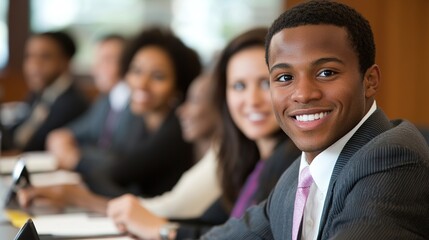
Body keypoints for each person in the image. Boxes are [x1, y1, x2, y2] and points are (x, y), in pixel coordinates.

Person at [202, 1, 429, 239]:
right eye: (285, 77)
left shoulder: (392, 160)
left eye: (326, 73)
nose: (303, 93)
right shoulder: (299, 175)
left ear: (370, 80)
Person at [107, 28, 301, 240]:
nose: (251, 100)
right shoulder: (248, 158)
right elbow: (211, 223)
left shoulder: (292, 162)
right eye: (238, 85)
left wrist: (163, 231)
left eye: (265, 83)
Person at [17, 27, 201, 211]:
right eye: (136, 71)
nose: (141, 83)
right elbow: (112, 174)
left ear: (179, 85)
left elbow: (111, 174)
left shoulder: (175, 130)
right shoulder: (143, 122)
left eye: (158, 77)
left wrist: (74, 194)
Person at [107, 71, 222, 224]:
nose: (181, 111)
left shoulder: (222, 157)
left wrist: (85, 199)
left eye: (194, 100)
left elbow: (171, 208)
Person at [44, 34, 141, 196]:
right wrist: (62, 138)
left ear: (128, 63)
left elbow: (122, 161)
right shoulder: (106, 100)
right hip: (97, 184)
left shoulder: (139, 105)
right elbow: (69, 133)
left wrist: (78, 157)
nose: (95, 69)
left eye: (106, 60)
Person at [6, 31, 88, 152]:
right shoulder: (38, 94)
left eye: (45, 57)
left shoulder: (71, 103)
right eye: (29, 56)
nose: (34, 65)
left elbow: (32, 145)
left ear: (65, 62)